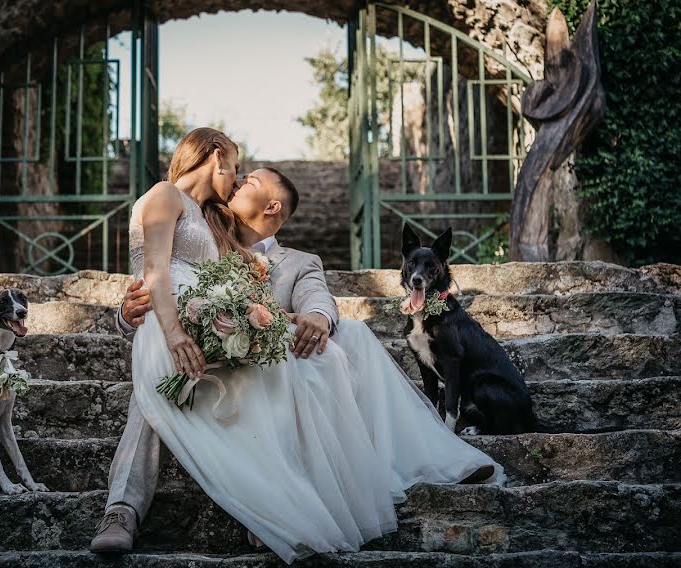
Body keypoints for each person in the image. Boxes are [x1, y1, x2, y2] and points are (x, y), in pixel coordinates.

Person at [91, 127, 499, 563]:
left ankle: (423, 455)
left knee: (353, 337)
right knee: (159, 385)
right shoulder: (199, 216)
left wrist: (316, 319)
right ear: (215, 159)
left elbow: (317, 300)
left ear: (271, 206)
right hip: (192, 331)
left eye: (249, 180)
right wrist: (130, 315)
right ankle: (122, 508)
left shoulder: (301, 262)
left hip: (255, 345)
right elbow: (157, 275)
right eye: (238, 171)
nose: (239, 178)